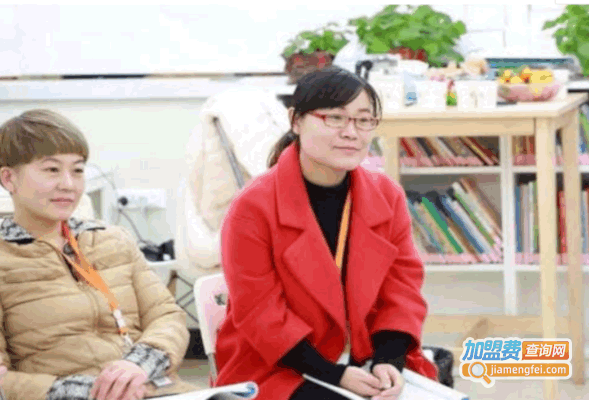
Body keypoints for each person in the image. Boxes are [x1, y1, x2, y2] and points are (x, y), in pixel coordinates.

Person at [214, 67, 438, 400]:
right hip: (279, 365)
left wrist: (389, 358)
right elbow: (260, 314)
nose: (351, 133)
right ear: (296, 120)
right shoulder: (253, 206)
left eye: (364, 120)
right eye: (334, 118)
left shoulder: (386, 195)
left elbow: (401, 287)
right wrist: (334, 375)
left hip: (365, 354)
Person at [0, 110, 199, 400]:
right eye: (51, 170)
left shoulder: (113, 239)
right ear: (9, 179)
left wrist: (140, 365)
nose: (68, 184)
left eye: (78, 170)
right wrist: (91, 391)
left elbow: (166, 316)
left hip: (153, 390)